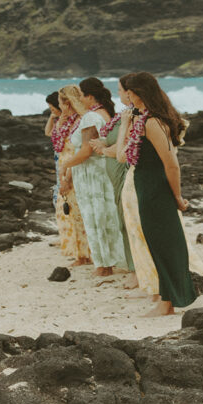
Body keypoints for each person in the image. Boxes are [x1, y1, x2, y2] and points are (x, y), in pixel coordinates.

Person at [119, 72, 197, 316]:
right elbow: (124, 155)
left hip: (156, 188)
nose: (128, 96)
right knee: (157, 242)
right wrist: (125, 124)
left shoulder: (152, 122)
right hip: (145, 184)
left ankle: (168, 303)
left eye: (130, 92)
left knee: (165, 243)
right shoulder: (142, 120)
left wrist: (177, 197)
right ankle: (167, 299)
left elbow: (171, 163)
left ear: (141, 93)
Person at [60, 77, 128, 277]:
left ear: (90, 96)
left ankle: (103, 266)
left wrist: (65, 165)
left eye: (81, 95)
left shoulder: (90, 117)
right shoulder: (107, 114)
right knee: (108, 216)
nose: (79, 99)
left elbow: (86, 151)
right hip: (104, 169)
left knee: (95, 218)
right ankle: (110, 261)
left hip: (91, 174)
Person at [53, 86, 91, 265]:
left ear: (67, 103)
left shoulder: (81, 121)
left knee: (76, 211)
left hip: (74, 166)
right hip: (65, 165)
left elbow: (78, 149)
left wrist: (67, 177)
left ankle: (84, 255)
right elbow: (56, 143)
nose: (59, 106)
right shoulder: (68, 120)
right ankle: (80, 253)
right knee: (68, 210)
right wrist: (61, 118)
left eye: (61, 103)